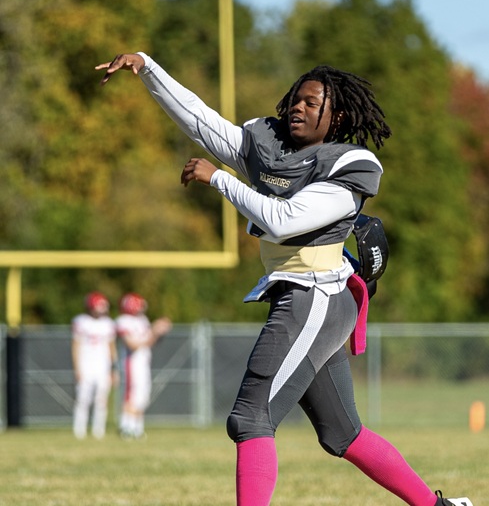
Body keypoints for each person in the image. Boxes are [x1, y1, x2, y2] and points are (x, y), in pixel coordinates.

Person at [96, 53, 473, 506]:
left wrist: (220, 179)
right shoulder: (270, 146)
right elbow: (201, 122)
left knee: (250, 417)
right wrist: (149, 69)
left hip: (315, 295)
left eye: (313, 103)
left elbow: (283, 219)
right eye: (296, 99)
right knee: (343, 433)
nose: (298, 107)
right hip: (302, 294)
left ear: (339, 116)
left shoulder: (349, 165)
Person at [115, 292, 172, 439]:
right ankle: (126, 427)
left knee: (142, 397)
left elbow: (148, 342)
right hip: (131, 363)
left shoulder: (142, 320)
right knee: (131, 395)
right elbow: (132, 344)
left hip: (143, 363)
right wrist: (154, 330)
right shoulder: (123, 320)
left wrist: (158, 332)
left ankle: (137, 428)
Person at [71, 291, 117, 439]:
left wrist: (114, 369)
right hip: (86, 365)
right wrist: (77, 367)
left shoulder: (108, 324)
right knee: (83, 398)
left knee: (101, 399)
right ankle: (79, 431)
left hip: (102, 366)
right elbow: (76, 345)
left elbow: (111, 347)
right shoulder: (81, 321)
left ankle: (99, 431)